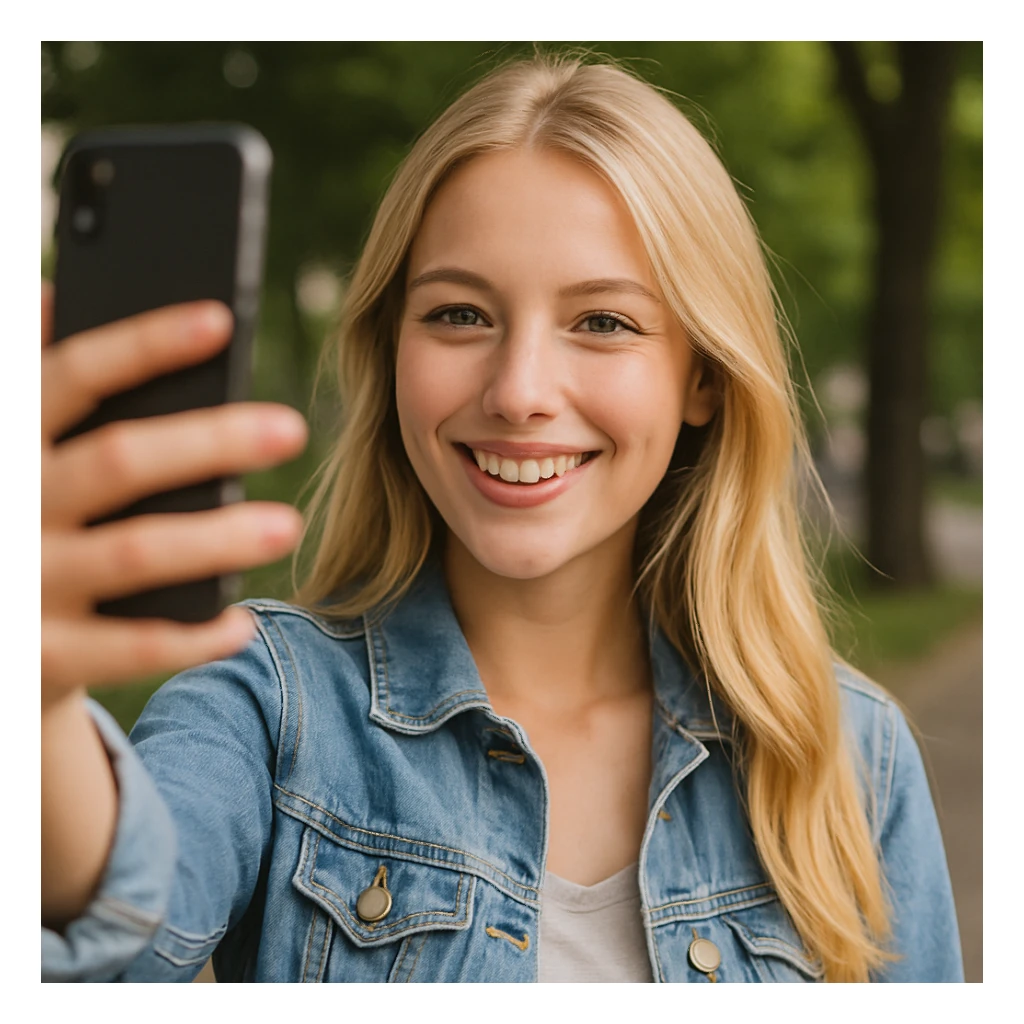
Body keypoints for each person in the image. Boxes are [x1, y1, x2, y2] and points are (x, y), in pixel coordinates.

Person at [41, 51, 963, 983]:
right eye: (458, 315)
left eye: (602, 322)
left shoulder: (851, 755)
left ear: (704, 378)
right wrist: (35, 704)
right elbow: (108, 948)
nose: (520, 392)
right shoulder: (262, 707)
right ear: (389, 349)